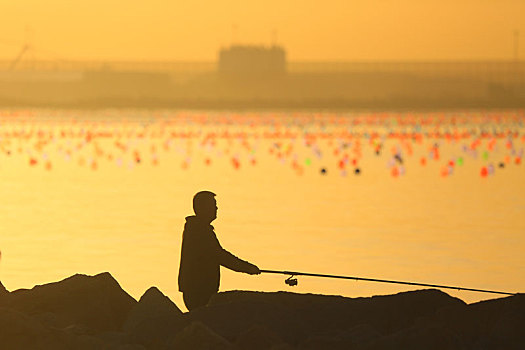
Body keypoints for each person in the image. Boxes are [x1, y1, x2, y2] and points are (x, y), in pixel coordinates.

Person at [178, 191, 260, 311]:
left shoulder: (197, 228)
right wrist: (247, 268)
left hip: (197, 289)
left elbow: (218, 255)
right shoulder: (200, 231)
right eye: (213, 205)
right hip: (198, 290)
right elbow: (220, 256)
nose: (216, 208)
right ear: (203, 208)